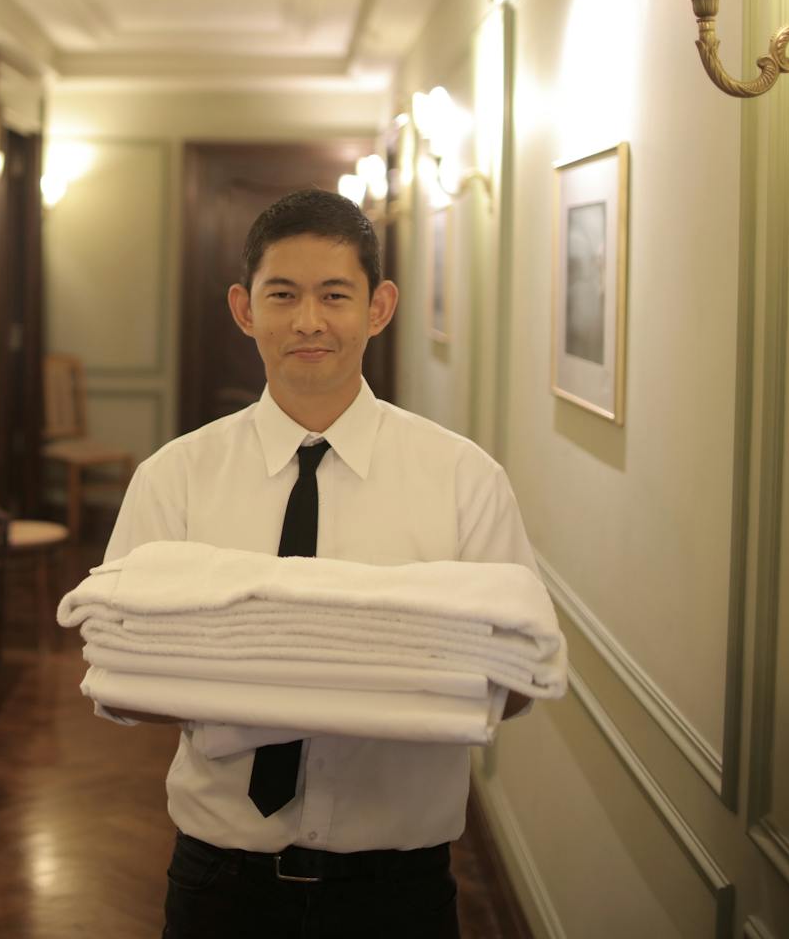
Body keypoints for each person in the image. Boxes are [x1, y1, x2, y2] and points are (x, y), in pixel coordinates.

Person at [97, 188, 541, 939]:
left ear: (379, 307)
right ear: (245, 310)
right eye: (283, 295)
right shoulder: (173, 478)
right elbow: (118, 672)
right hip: (219, 879)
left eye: (335, 294)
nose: (308, 321)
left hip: (398, 887)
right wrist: (323, 682)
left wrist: (247, 679)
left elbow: (520, 678)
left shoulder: (465, 480)